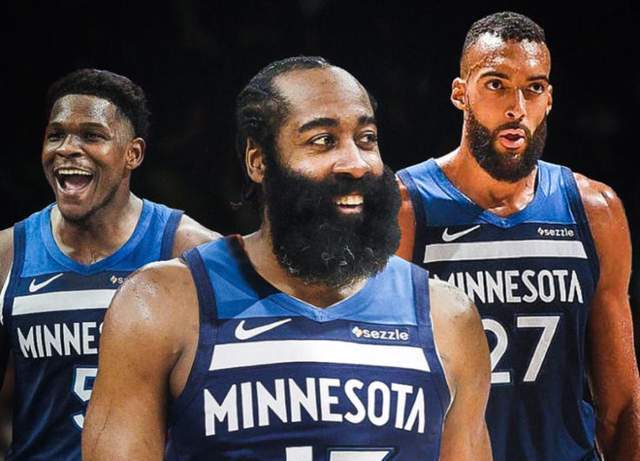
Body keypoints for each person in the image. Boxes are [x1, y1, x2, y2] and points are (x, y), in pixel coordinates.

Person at [82, 56, 492, 460]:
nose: (355, 163)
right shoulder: (160, 304)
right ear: (258, 161)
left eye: (366, 138)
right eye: (323, 140)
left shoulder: (446, 316)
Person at [396, 11, 640, 461]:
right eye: (496, 84)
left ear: (549, 99)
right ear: (460, 93)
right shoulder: (405, 209)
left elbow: (621, 406)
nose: (517, 108)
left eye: (534, 87)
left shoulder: (595, 210)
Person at [0, 68, 220, 460]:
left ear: (133, 154)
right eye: (56, 135)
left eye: (91, 135)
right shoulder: (8, 254)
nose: (67, 148)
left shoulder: (190, 250)